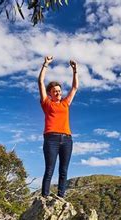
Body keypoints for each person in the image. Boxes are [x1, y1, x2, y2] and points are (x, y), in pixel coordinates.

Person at [38, 56, 78, 198]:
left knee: (63, 171)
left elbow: (74, 87)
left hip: (67, 139)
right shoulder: (46, 103)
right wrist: (46, 64)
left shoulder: (65, 103)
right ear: (50, 93)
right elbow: (41, 82)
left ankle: (61, 197)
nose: (58, 93)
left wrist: (74, 70)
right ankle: (45, 198)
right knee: (49, 170)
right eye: (55, 91)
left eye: (59, 91)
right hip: (51, 139)